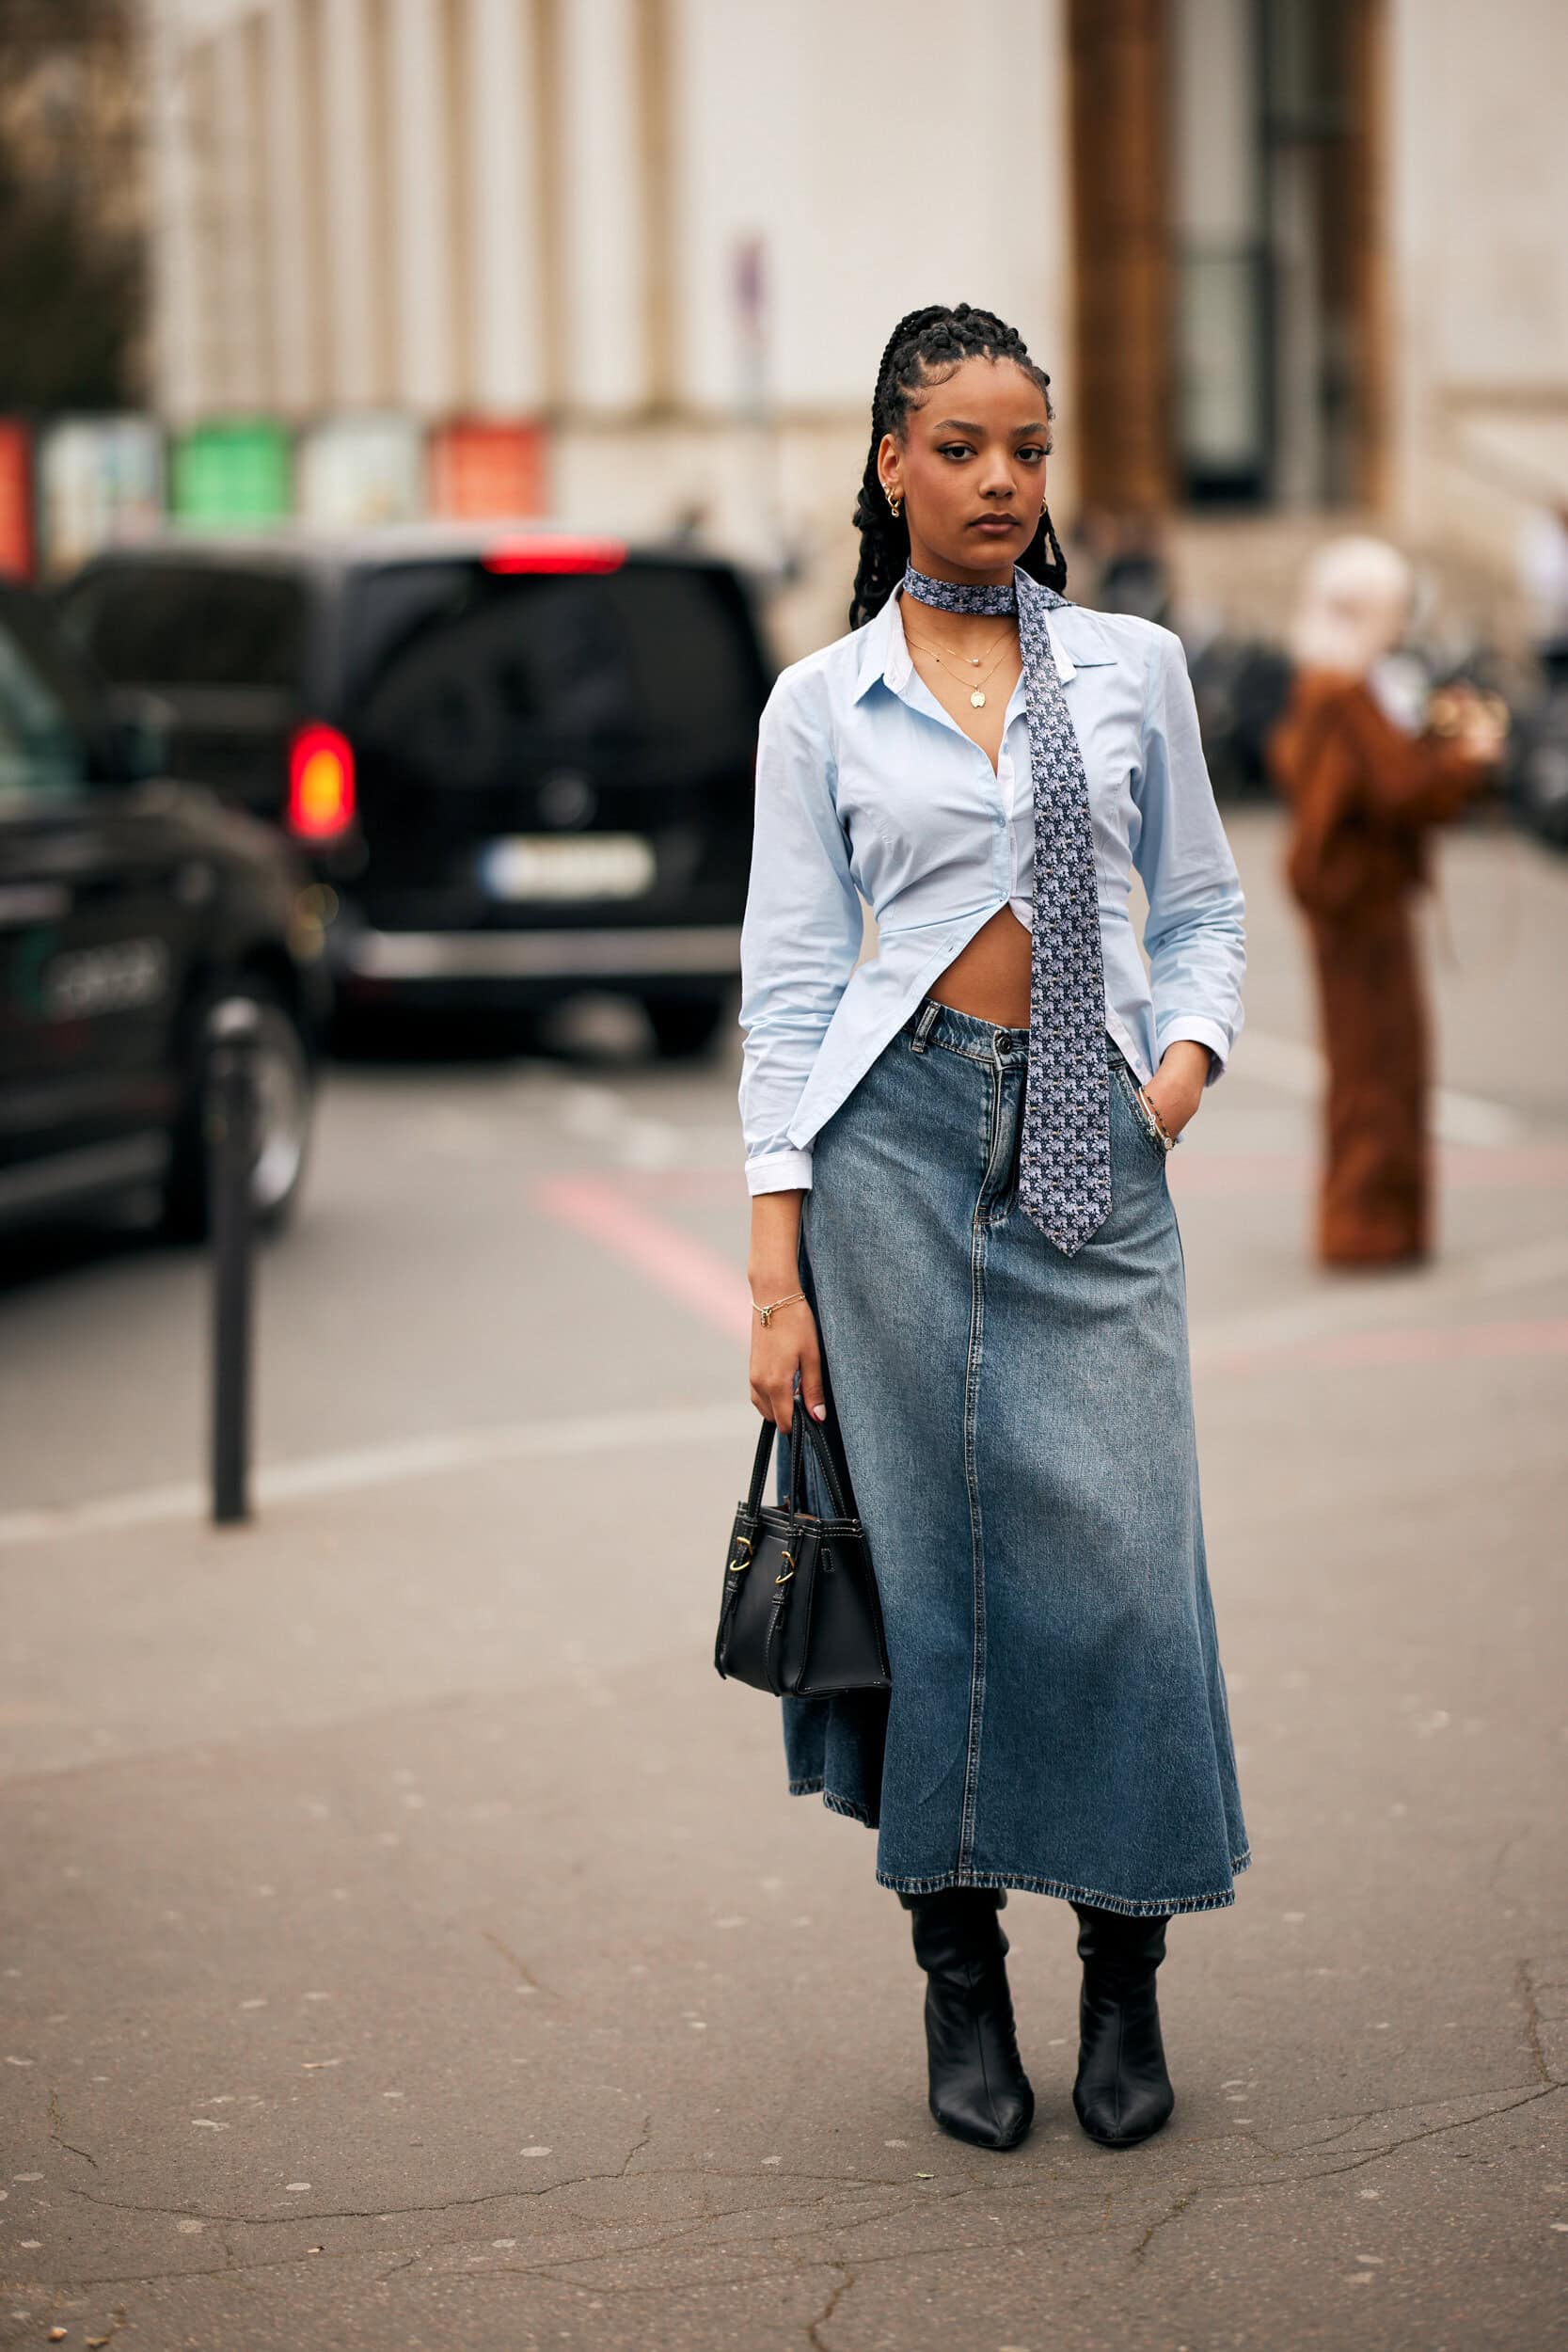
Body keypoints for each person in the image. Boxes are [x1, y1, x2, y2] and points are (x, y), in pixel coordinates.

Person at [736, 304, 1250, 2156]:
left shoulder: (1127, 667)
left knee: (1116, 1572)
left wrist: (1168, 1077)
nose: (994, 481)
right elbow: (787, 985)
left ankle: (1122, 1972)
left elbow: (1196, 904)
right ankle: (960, 1978)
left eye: (1021, 448)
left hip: (1086, 1150)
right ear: (888, 461)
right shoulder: (821, 702)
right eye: (955, 447)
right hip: (885, 1154)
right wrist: (768, 1267)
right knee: (936, 1580)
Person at [1264, 536, 1507, 1268]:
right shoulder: (1341, 692)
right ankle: (1364, 1226)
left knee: (1379, 1065)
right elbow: (1398, 787)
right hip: (1359, 908)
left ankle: (1383, 1222)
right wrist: (1464, 757)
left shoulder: (1329, 686)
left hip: (1358, 906)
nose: (1399, 626)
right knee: (1375, 1068)